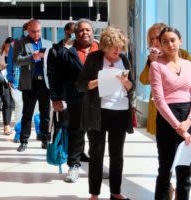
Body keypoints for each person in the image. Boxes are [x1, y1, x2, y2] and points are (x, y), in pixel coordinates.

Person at [77, 26, 135, 200]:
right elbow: (80, 85)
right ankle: (94, 194)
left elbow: (132, 87)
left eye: (120, 47)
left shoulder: (124, 59)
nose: (118, 51)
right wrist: (97, 81)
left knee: (117, 155)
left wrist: (126, 83)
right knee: (96, 153)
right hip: (98, 113)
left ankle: (115, 192)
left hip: (120, 112)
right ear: (104, 46)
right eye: (114, 48)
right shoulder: (94, 58)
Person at [47, 19, 98, 183]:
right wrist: (56, 98)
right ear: (75, 34)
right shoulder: (66, 52)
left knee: (97, 135)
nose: (85, 33)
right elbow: (56, 78)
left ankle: (97, 167)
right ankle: (74, 166)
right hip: (75, 99)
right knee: (76, 133)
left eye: (88, 30)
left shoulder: (102, 51)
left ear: (93, 32)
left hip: (99, 100)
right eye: (81, 30)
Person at [149, 26, 191, 200]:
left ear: (180, 41)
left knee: (185, 170)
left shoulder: (189, 65)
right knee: (165, 169)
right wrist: (177, 126)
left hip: (188, 117)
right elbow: (159, 100)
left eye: (172, 40)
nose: (169, 44)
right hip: (168, 118)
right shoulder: (156, 66)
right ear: (160, 44)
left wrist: (188, 122)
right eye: (165, 41)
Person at [140, 23, 191, 135]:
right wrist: (150, 62)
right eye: (151, 39)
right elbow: (143, 80)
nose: (154, 42)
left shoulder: (184, 56)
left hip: (185, 109)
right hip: (161, 108)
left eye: (157, 38)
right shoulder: (154, 60)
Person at [13, 19, 52, 152]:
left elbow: (53, 61)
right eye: (33, 31)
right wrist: (32, 58)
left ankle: (45, 140)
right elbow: (16, 61)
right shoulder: (20, 43)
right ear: (27, 31)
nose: (37, 34)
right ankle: (24, 141)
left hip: (45, 83)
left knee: (45, 113)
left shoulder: (48, 43)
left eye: (39, 31)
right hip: (30, 83)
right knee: (27, 113)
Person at [0, 37, 14, 135]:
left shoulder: (15, 55)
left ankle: (7, 125)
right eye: (9, 46)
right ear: (5, 45)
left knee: (9, 103)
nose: (11, 48)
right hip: (1, 80)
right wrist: (2, 66)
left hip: (12, 81)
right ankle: (6, 127)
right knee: (6, 101)